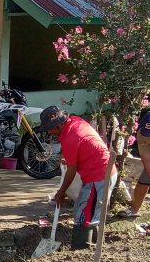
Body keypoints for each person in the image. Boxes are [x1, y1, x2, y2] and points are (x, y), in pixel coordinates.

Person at [39, 106, 116, 249]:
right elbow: (78, 150)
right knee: (89, 213)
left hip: (99, 176)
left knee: (84, 215)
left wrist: (61, 192)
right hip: (101, 174)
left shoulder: (72, 136)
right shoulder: (74, 122)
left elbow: (72, 170)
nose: (49, 132)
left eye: (51, 128)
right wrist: (67, 157)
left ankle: (81, 250)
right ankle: (93, 247)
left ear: (61, 124)